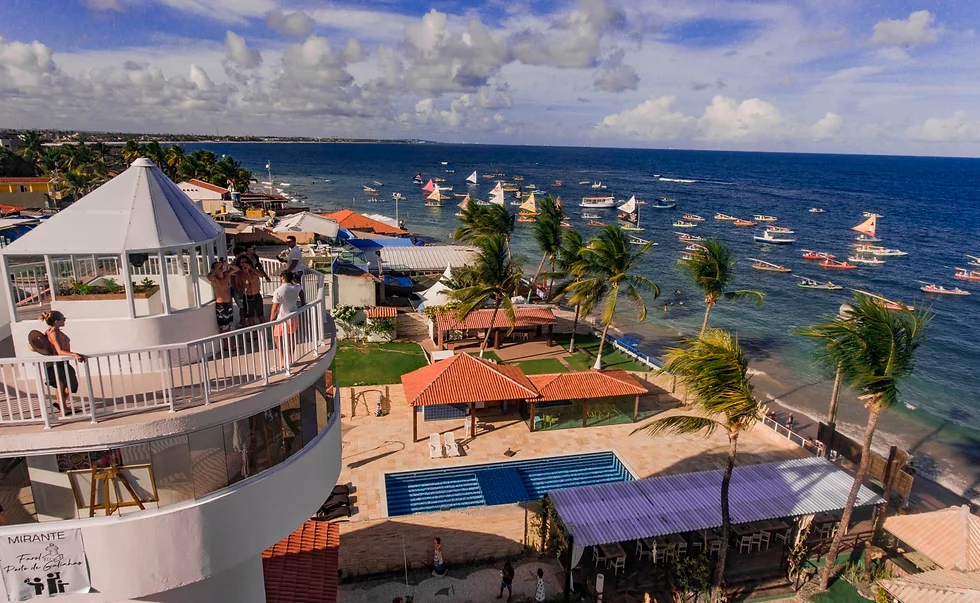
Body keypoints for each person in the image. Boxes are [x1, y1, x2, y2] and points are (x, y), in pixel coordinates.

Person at [39, 311, 85, 414]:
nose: (65, 321)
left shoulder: (51, 331)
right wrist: (74, 354)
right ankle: (63, 408)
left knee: (67, 385)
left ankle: (62, 406)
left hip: (61, 362)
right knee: (62, 385)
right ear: (56, 322)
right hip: (56, 363)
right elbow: (59, 351)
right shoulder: (54, 334)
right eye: (63, 319)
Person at [270, 270, 302, 362]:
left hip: (282, 318)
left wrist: (272, 320)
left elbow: (274, 308)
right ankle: (290, 358)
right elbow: (299, 285)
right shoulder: (296, 288)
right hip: (293, 317)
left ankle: (284, 358)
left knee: (277, 338)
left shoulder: (279, 291)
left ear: (282, 278)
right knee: (291, 337)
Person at [206, 259, 239, 335]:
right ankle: (227, 345)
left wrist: (227, 265)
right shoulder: (214, 279)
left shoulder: (226, 275)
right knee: (224, 326)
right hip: (221, 305)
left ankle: (230, 344)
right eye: (218, 267)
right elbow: (209, 277)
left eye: (221, 267)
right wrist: (215, 268)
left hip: (229, 303)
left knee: (229, 324)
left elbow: (237, 269)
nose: (220, 268)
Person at [236, 257, 264, 327]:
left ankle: (263, 331)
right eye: (242, 262)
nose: (244, 264)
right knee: (250, 317)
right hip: (247, 296)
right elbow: (238, 285)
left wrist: (251, 268)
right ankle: (254, 335)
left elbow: (261, 275)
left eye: (246, 262)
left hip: (256, 294)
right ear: (239, 264)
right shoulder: (239, 274)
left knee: (260, 315)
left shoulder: (253, 271)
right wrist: (242, 288)